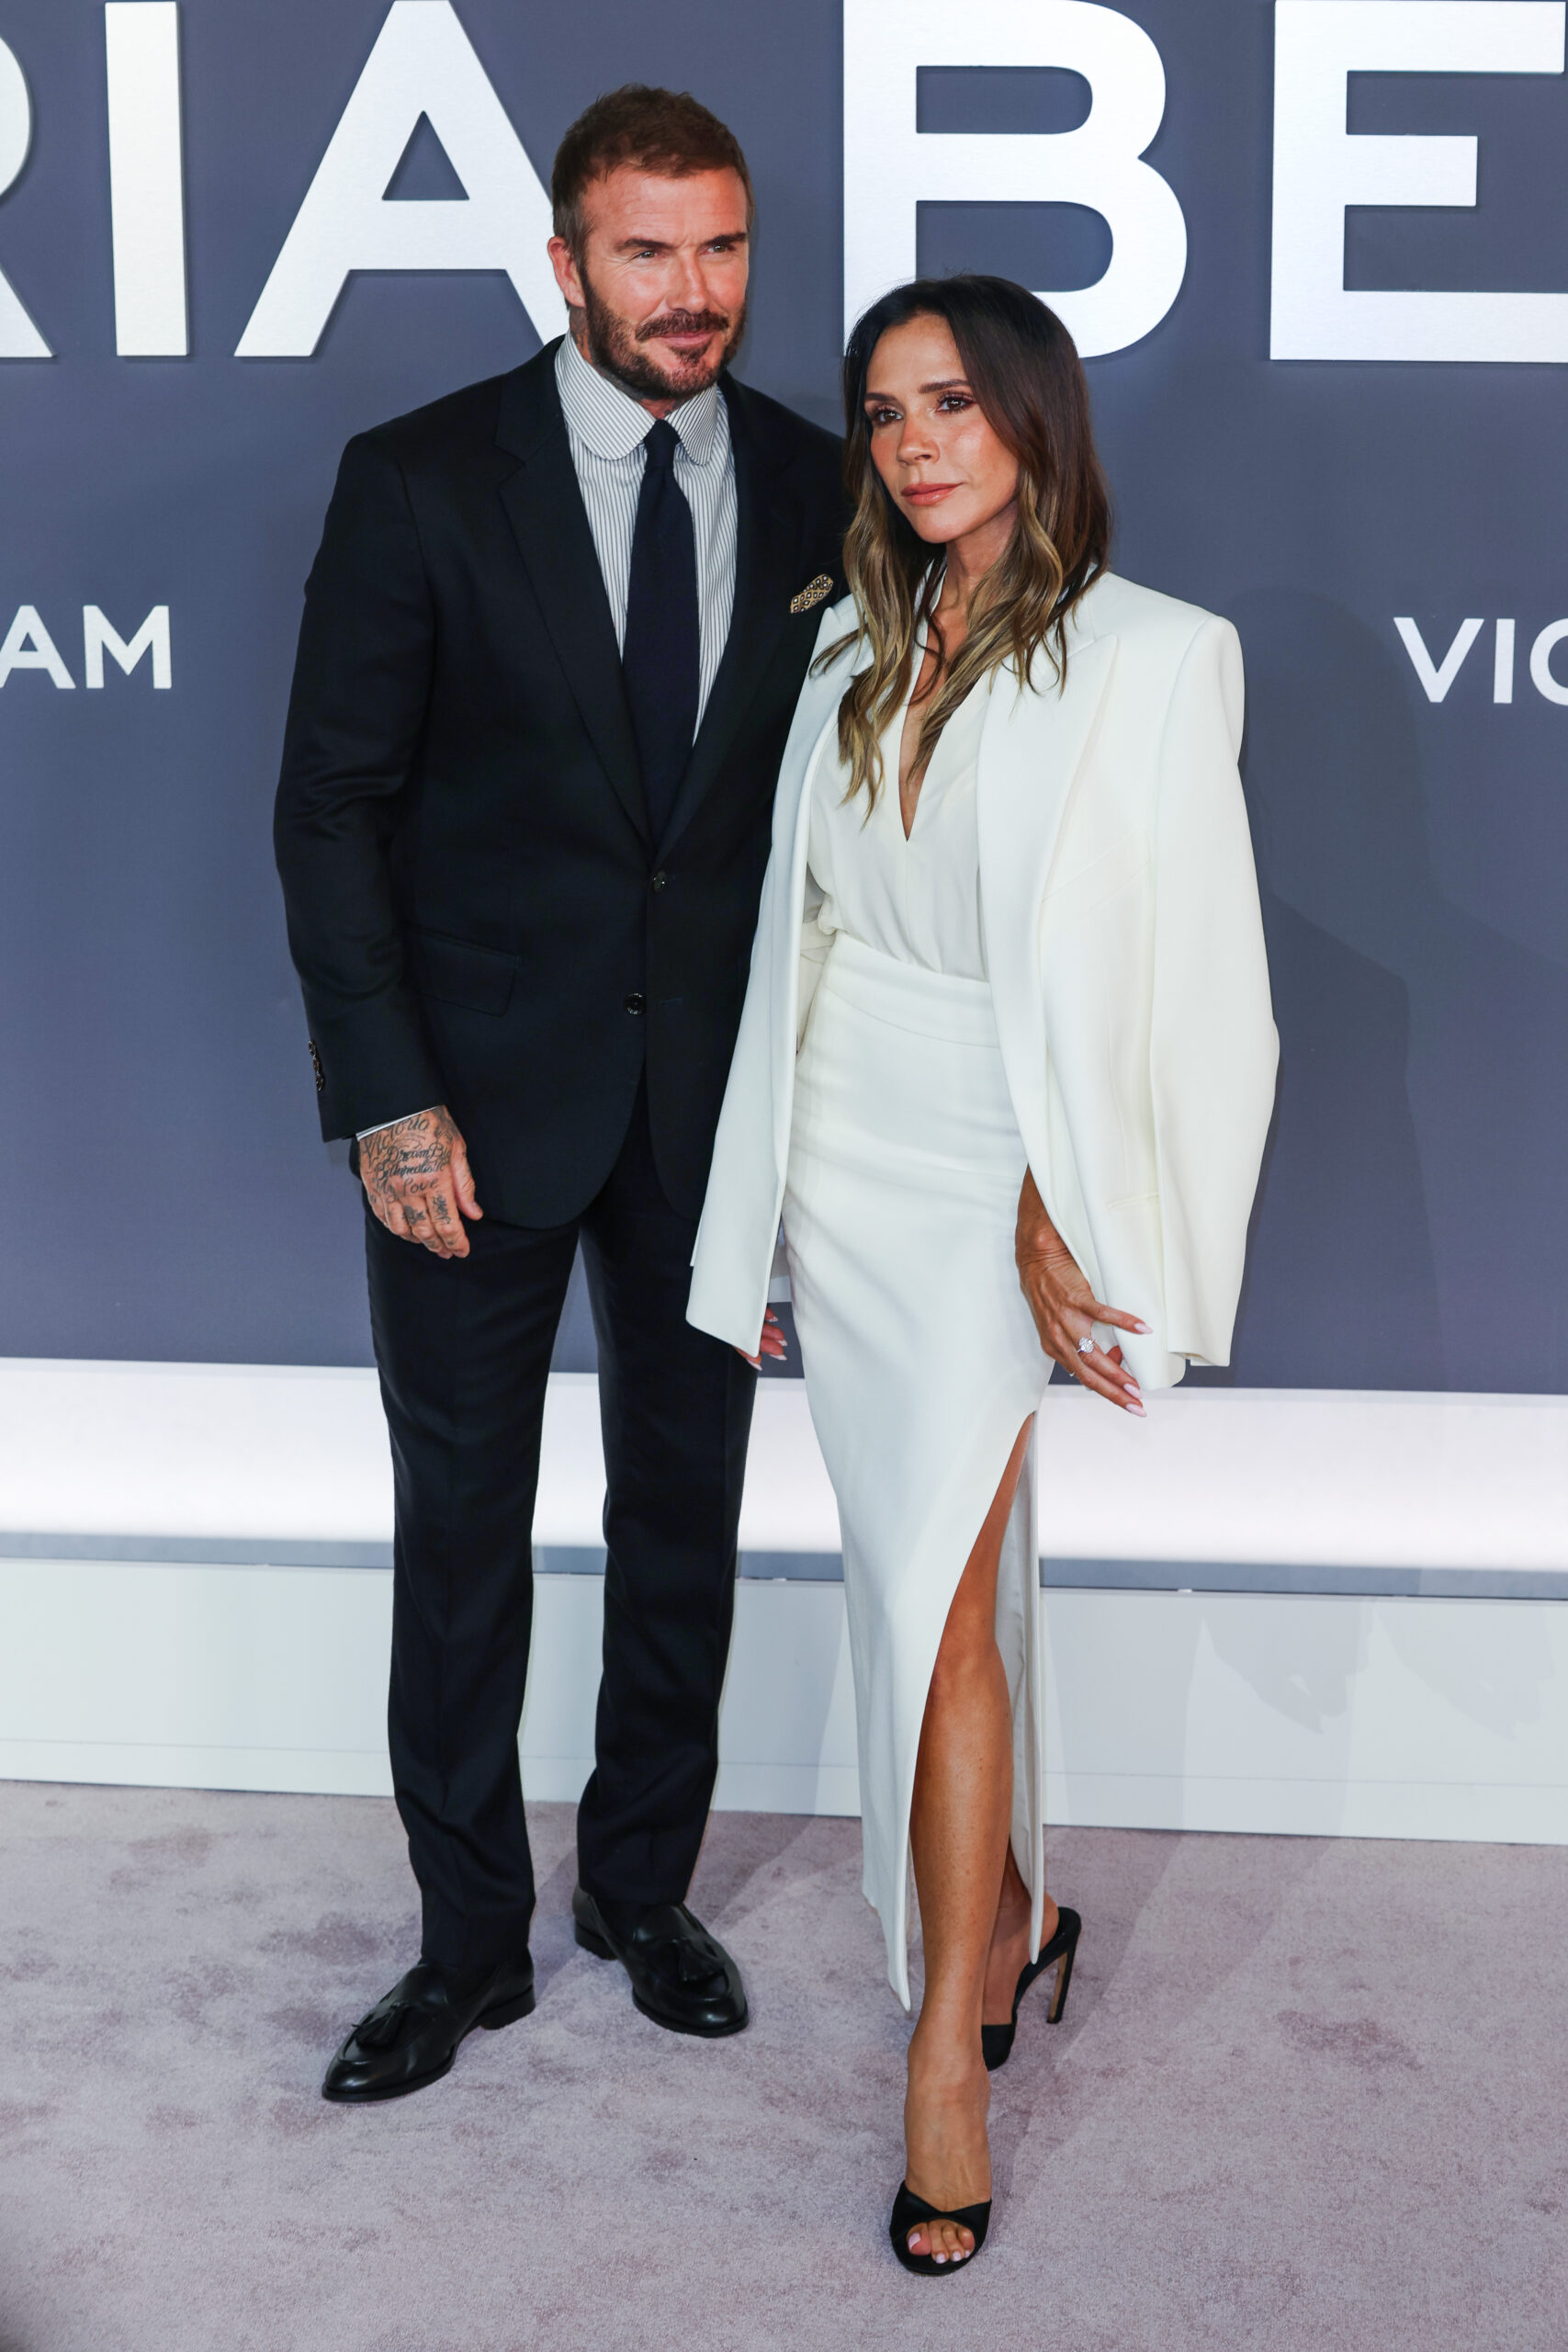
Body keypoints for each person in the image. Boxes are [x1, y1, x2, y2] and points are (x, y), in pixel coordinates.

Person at [688, 276, 1278, 2271]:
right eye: (882, 413)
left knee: (936, 1597)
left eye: (950, 402)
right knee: (923, 1574)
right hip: (841, 1144)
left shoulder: (1156, 657)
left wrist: (1066, 1199)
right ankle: (1006, 1918)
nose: (914, 444)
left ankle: (946, 2047)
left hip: (993, 1162)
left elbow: (1192, 984)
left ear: (1033, 416)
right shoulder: (847, 635)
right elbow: (802, 936)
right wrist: (763, 1199)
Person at [274, 85, 844, 2103]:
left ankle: (640, 1888)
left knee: (685, 1507)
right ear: (566, 262)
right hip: (471, 1111)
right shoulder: (422, 477)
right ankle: (463, 1942)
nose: (694, 292)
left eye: (724, 247)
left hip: (712, 1111)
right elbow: (331, 809)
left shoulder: (821, 484)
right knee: (461, 1529)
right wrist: (387, 1100)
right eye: (648, 251)